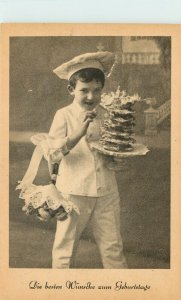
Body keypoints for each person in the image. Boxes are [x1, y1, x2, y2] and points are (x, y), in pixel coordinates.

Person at [46, 51, 127, 269]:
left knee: (112, 247)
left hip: (106, 190)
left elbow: (111, 147)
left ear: (102, 89)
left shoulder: (108, 113)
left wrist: (116, 160)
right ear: (71, 89)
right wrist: (79, 132)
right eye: (84, 90)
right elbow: (53, 154)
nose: (91, 97)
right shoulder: (64, 115)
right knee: (65, 248)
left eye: (96, 90)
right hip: (73, 191)